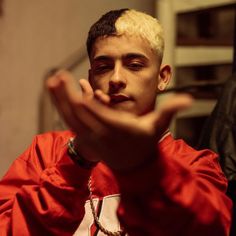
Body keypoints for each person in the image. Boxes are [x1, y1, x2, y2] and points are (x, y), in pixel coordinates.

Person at [0, 8, 232, 236]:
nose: (116, 79)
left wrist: (144, 169)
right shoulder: (45, 152)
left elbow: (209, 228)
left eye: (134, 65)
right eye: (103, 67)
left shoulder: (195, 166)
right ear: (91, 78)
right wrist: (77, 161)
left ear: (163, 77)